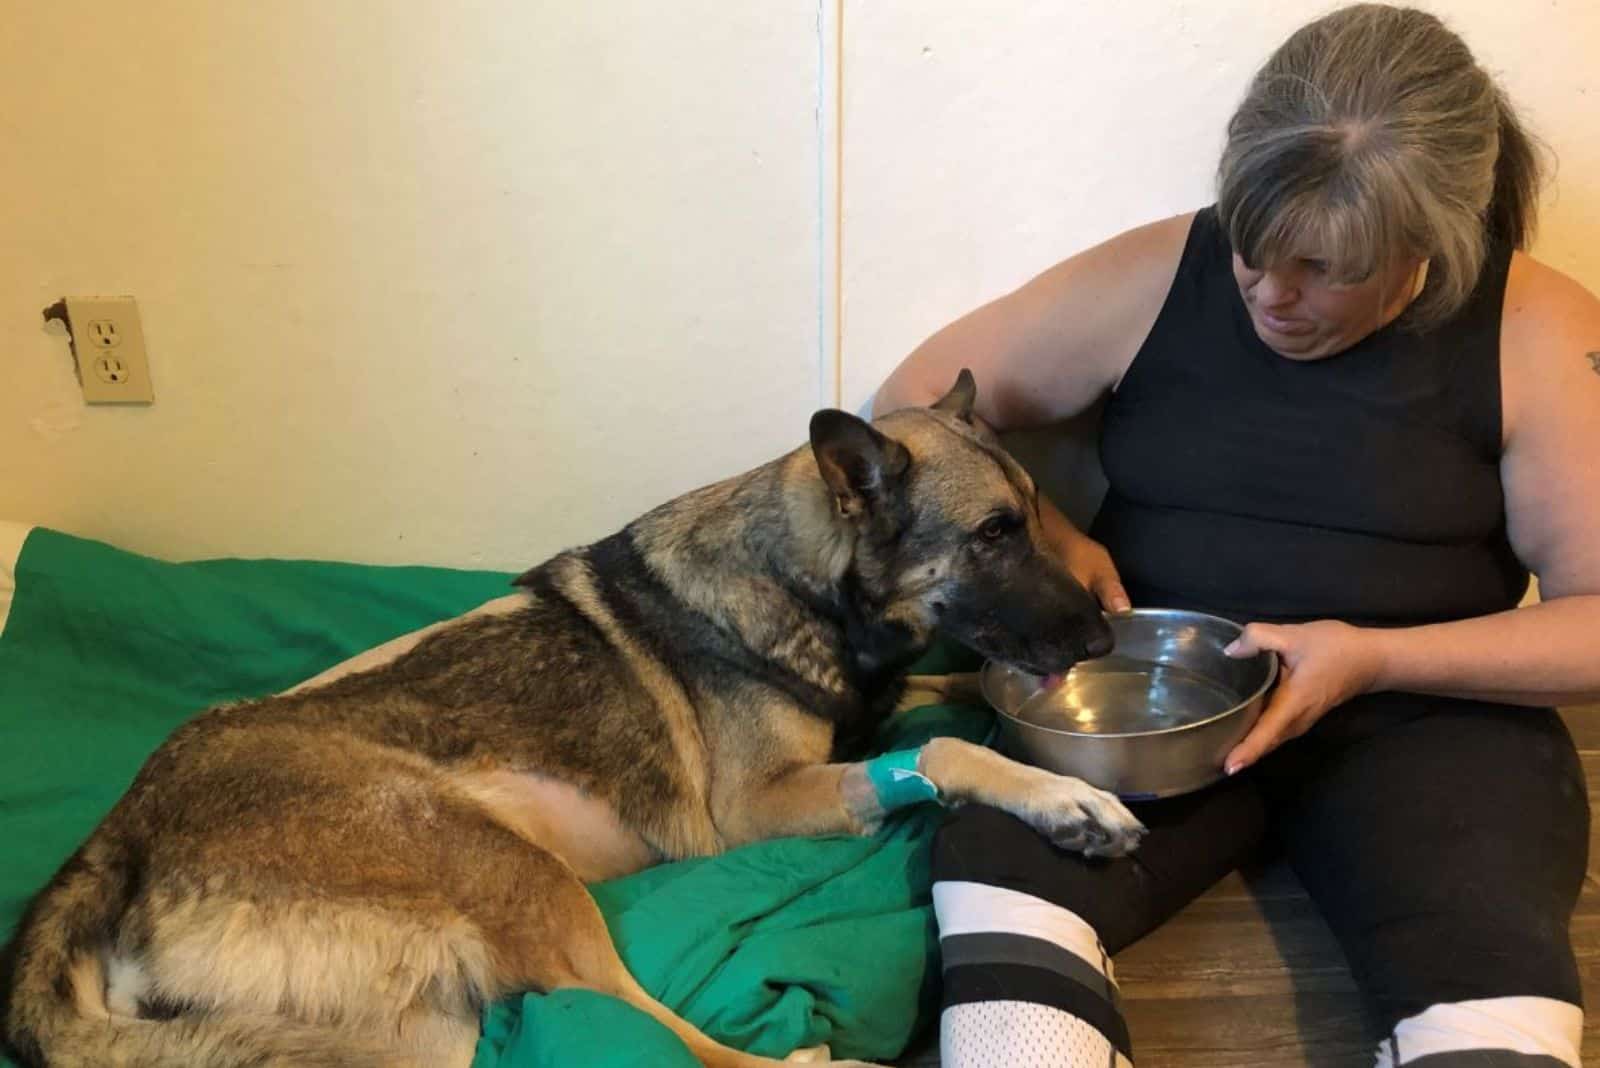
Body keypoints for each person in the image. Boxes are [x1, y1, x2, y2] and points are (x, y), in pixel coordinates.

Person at [872, 5, 1600, 1066]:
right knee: (993, 874)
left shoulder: (1537, 328)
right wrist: (1047, 532)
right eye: (1254, 248)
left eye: (1325, 270)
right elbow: (912, 409)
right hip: (1146, 699)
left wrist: (1373, 657)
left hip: (1425, 719)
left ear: (1429, 245)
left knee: (1490, 1004)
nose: (1271, 292)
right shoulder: (1163, 268)